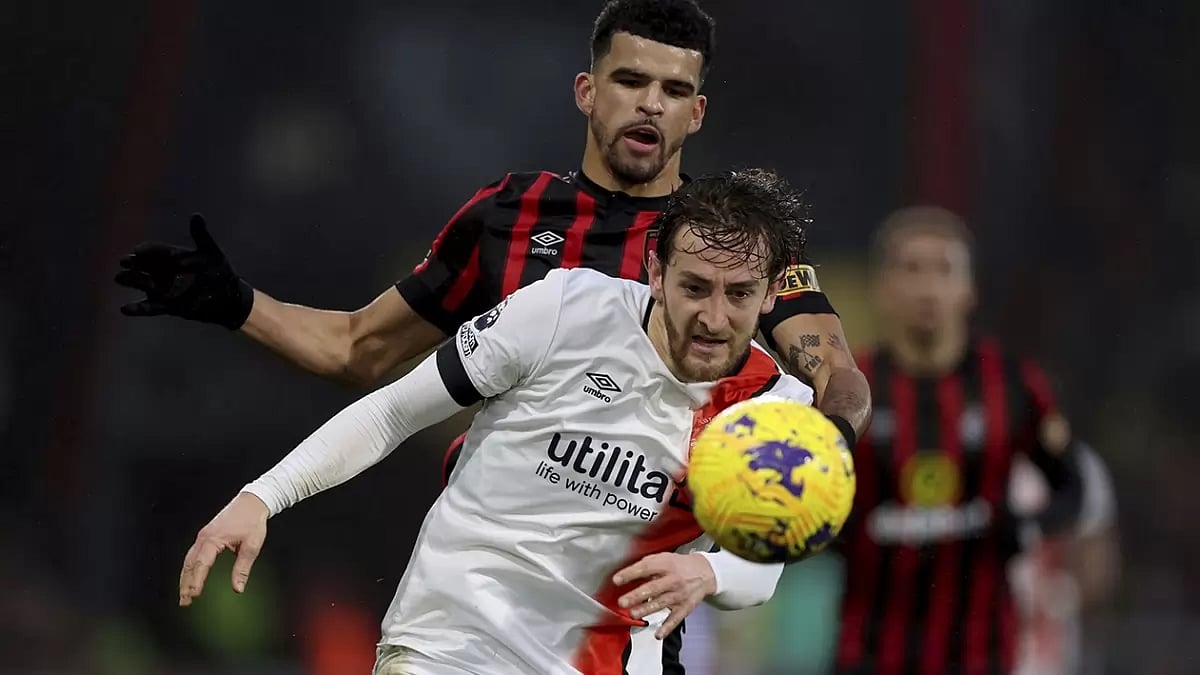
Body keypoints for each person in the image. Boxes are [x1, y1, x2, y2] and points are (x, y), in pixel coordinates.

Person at [113, 0, 871, 450]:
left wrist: (828, 449)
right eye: (630, 80)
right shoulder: (508, 215)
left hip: (638, 600)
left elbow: (835, 372)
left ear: (696, 113)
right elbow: (359, 348)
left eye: (674, 91)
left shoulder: (733, 243)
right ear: (587, 91)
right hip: (487, 580)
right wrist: (236, 303)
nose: (650, 103)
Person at [177, 169, 817, 675]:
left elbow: (760, 569)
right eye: (694, 287)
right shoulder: (565, 308)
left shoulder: (776, 410)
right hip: (450, 643)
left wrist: (709, 572)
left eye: (739, 295)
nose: (713, 317)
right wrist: (264, 495)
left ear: (769, 295)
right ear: (655, 271)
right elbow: (394, 411)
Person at [833, 206, 1082, 675]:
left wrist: (1027, 528)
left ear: (969, 290)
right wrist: (832, 531)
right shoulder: (847, 388)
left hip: (980, 653)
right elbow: (811, 491)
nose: (928, 287)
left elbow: (1072, 487)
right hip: (868, 650)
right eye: (911, 269)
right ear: (882, 289)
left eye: (944, 270)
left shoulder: (1013, 385)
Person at [1008, 440, 1120, 675]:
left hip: (1047, 661)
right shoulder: (968, 456)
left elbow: (1098, 565)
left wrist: (1064, 593)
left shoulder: (1076, 463)